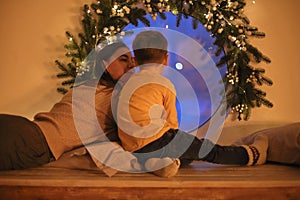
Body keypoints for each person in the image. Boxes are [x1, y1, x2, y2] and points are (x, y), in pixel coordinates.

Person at [115, 30, 268, 176]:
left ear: (135, 60)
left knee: (187, 154)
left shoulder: (127, 82)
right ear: (166, 59)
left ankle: (155, 163)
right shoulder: (163, 84)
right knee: (205, 149)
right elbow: (172, 123)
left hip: (132, 148)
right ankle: (249, 155)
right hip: (156, 141)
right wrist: (182, 140)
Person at [0, 41, 135, 170]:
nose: (131, 65)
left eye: (133, 61)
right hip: (32, 139)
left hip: (32, 139)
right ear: (105, 65)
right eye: (123, 59)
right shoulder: (109, 93)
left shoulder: (93, 87)